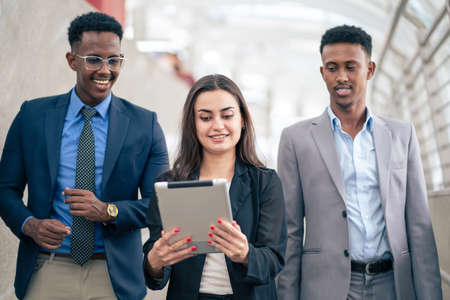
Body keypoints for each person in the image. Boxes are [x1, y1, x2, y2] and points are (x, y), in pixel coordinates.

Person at [0, 12, 169, 300]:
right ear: (72, 60)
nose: (105, 70)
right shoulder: (32, 116)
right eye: (94, 59)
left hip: (114, 277)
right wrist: (31, 225)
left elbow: (161, 203)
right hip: (47, 270)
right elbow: (5, 189)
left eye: (114, 60)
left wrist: (109, 211)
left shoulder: (145, 124)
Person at [276, 25, 442, 300]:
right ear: (322, 73)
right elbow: (290, 231)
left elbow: (419, 227)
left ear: (370, 69)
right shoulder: (295, 139)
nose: (341, 77)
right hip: (325, 287)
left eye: (351, 67)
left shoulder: (403, 135)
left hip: (392, 284)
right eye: (332, 68)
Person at [143, 74, 286, 300]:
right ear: (193, 124)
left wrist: (245, 254)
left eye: (227, 115)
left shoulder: (265, 183)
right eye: (205, 117)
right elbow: (155, 275)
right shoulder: (170, 184)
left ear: (242, 120)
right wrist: (155, 260)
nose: (218, 126)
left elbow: (274, 260)